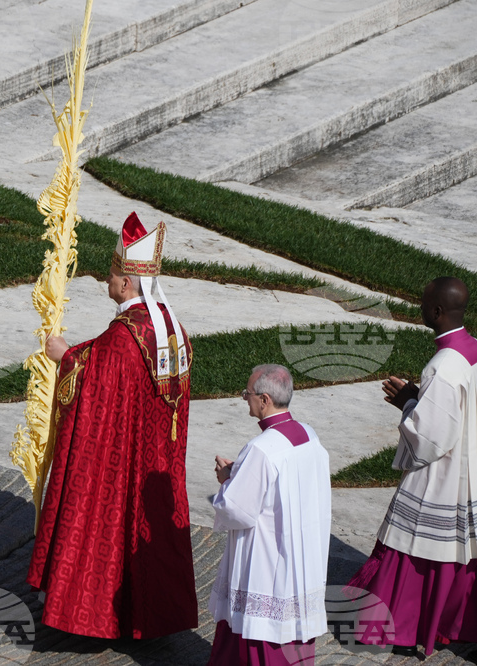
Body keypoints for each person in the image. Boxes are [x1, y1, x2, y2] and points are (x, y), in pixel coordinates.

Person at [26, 213, 198, 639]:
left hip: (123, 456)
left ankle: (97, 617)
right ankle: (152, 619)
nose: (107, 281)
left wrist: (64, 355)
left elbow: (95, 381)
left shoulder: (125, 337)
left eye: (111, 274)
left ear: (126, 283)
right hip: (159, 455)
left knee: (107, 520)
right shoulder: (172, 330)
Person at [346, 276, 477, 656]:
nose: (419, 306)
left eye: (423, 303)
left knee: (412, 547)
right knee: (459, 552)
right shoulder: (473, 350)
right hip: (469, 471)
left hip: (442, 476)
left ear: (437, 312)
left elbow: (432, 438)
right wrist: (421, 398)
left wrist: (408, 403)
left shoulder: (443, 365)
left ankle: (399, 626)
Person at [208, 364, 331, 665]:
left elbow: (236, 510)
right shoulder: (308, 434)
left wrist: (226, 481)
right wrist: (241, 471)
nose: (244, 399)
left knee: (261, 638)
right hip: (302, 558)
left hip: (267, 564)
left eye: (246, 394)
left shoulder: (261, 449)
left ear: (264, 400)